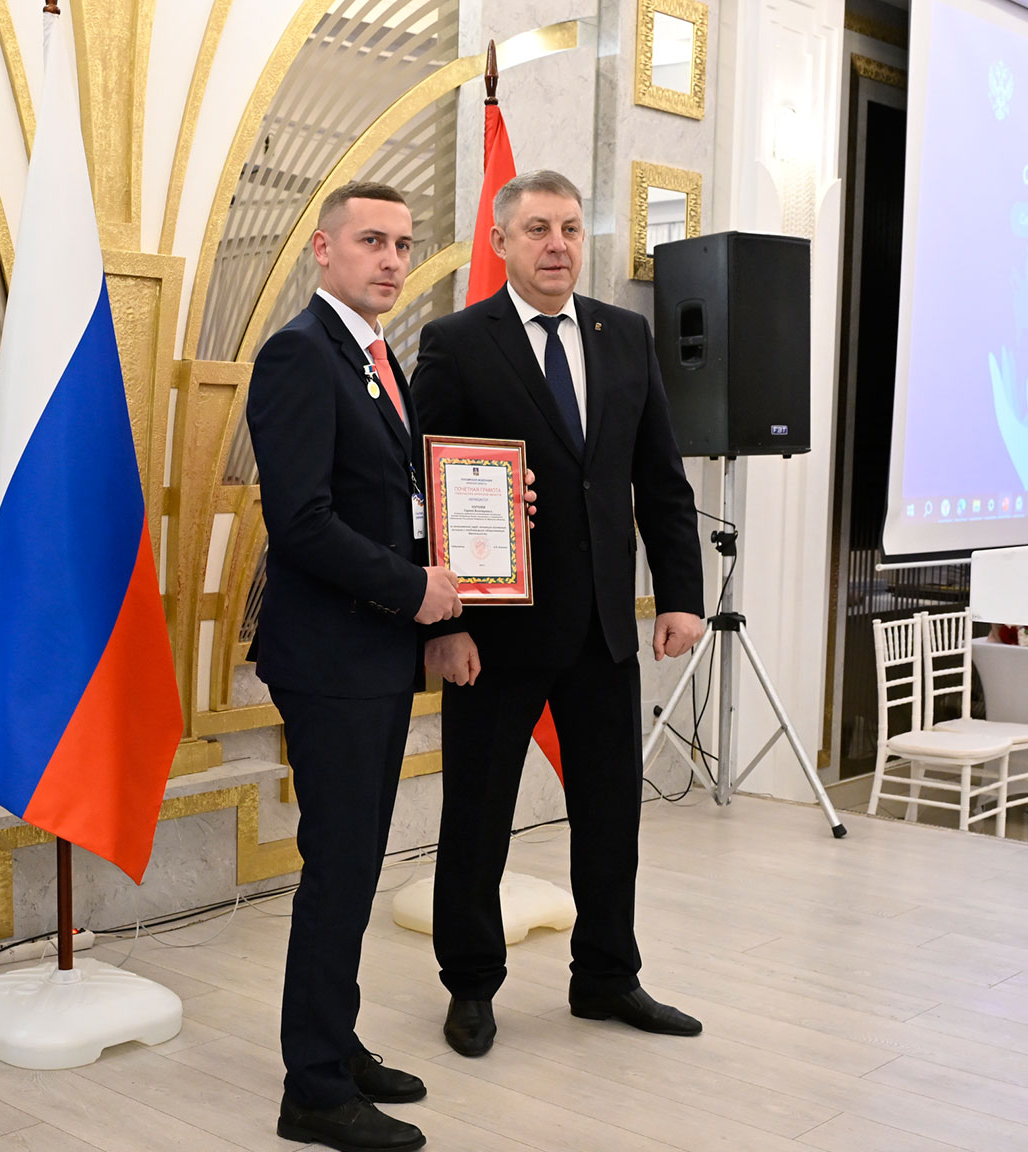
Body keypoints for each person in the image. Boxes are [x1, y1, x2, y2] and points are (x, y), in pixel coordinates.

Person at [413, 170, 706, 1058]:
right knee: (478, 818)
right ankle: (471, 985)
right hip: (495, 635)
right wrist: (444, 625)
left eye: (571, 228)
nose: (557, 245)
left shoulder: (625, 336)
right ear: (501, 240)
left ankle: (607, 976)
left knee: (612, 817)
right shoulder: (457, 342)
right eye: (538, 228)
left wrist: (682, 595)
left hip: (603, 632)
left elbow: (660, 479)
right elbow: (427, 492)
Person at [247, 181, 461, 1152]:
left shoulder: (376, 355)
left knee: (358, 862)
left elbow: (391, 499)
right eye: (372, 241)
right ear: (323, 250)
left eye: (404, 244)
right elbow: (300, 524)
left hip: (372, 650)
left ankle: (335, 1042)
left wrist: (486, 525)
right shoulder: (301, 352)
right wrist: (412, 588)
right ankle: (315, 1090)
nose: (392, 259)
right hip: (331, 656)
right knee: (338, 868)